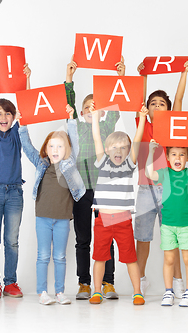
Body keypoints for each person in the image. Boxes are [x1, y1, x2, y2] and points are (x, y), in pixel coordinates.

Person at [65, 56, 124, 300]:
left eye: (95, 107)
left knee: (105, 238)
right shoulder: (77, 128)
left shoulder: (108, 127)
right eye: (87, 107)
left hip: (105, 191)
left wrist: (120, 77)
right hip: (81, 191)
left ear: (101, 113)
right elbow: (68, 105)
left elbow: (116, 102)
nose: (91, 109)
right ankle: (84, 283)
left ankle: (108, 282)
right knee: (83, 239)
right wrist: (69, 79)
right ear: (82, 112)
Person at [134, 60, 188, 297]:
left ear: (168, 109)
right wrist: (143, 75)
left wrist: (183, 73)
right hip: (146, 189)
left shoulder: (173, 128)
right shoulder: (143, 126)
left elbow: (179, 101)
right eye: (153, 103)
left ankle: (178, 281)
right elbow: (139, 99)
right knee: (143, 238)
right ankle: (141, 280)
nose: (157, 106)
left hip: (168, 189)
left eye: (162, 103)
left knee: (173, 238)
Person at [18, 105, 85, 305]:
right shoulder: (41, 164)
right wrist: (22, 126)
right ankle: (42, 292)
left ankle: (60, 292)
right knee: (43, 255)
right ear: (46, 149)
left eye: (60, 146)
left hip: (63, 219)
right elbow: (28, 147)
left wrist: (70, 119)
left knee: (60, 257)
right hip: (43, 218)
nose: (55, 150)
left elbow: (76, 142)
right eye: (52, 146)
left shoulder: (69, 164)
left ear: (67, 150)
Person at [88, 103, 149, 306]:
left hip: (123, 219)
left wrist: (141, 119)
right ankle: (96, 291)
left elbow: (138, 140)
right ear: (107, 150)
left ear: (128, 151)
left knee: (130, 258)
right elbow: (97, 138)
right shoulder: (102, 162)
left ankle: (137, 292)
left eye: (123, 147)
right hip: (102, 219)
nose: (119, 150)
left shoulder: (129, 165)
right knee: (99, 257)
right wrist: (95, 118)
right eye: (114, 147)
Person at [0, 60, 30, 299]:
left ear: (12, 117)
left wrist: (27, 78)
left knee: (12, 241)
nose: (3, 117)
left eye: (7, 114)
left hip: (14, 194)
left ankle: (10, 282)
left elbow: (28, 107)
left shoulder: (17, 134)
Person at [146, 139, 188, 307]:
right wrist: (151, 152)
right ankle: (169, 291)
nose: (178, 157)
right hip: (167, 225)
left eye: (182, 154)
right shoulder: (165, 173)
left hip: (186, 225)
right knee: (169, 259)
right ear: (168, 157)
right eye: (174, 154)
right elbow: (149, 173)